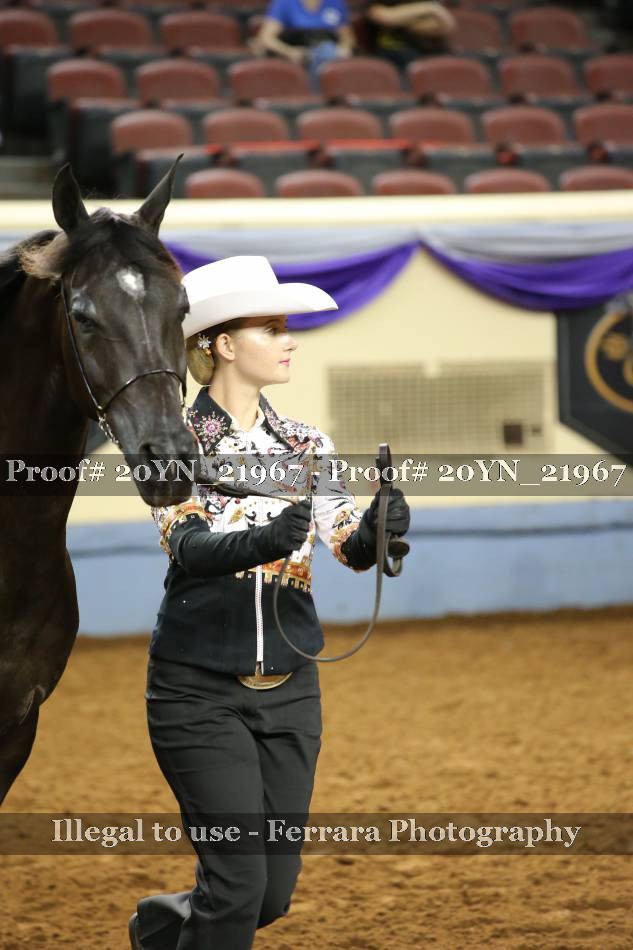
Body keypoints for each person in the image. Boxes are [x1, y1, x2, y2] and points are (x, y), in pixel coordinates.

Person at [128, 255, 411, 950]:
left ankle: (162, 929)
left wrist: (377, 529)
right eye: (273, 328)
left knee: (269, 894)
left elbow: (344, 545)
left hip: (292, 691)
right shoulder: (171, 442)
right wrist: (269, 538)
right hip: (197, 693)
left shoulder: (307, 445)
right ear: (224, 344)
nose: (289, 342)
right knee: (237, 887)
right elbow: (188, 546)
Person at [255, 0, 355, 88]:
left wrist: (344, 49)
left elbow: (347, 38)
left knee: (327, 51)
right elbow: (266, 38)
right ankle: (316, 94)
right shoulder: (285, 2)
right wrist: (289, 52)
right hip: (298, 52)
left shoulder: (335, 2)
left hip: (327, 52)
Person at [365, 0, 456, 70]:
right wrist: (430, 8)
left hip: (430, 50)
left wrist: (401, 18)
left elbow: (447, 25)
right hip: (395, 53)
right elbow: (384, 17)